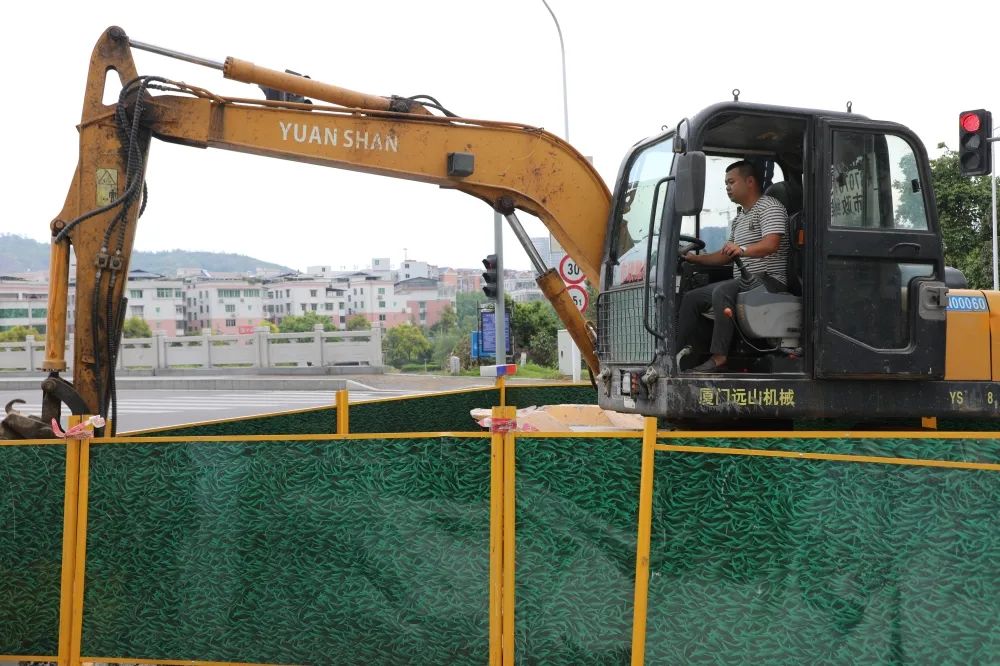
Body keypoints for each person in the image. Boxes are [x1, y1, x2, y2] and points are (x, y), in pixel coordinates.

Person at [677, 160, 789, 373]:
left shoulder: (770, 207)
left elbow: (771, 244)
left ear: (749, 181)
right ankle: (674, 354)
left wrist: (743, 249)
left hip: (769, 281)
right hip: (745, 282)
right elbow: (725, 255)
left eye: (731, 182)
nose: (727, 187)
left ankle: (720, 357)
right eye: (725, 183)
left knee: (723, 291)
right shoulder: (740, 218)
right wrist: (695, 259)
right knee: (692, 298)